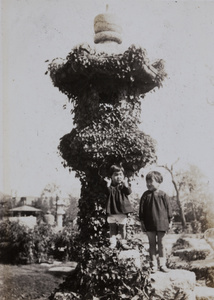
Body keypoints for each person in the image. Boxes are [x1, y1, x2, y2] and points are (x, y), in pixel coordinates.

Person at [139, 171, 173, 273]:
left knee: (162, 244)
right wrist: (142, 222)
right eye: (147, 181)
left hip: (162, 223)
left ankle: (162, 265)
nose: (148, 184)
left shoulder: (163, 195)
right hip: (149, 223)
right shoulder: (145, 195)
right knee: (152, 244)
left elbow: (168, 209)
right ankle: (153, 265)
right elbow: (141, 210)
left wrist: (170, 221)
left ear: (159, 182)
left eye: (151, 181)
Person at [104, 164, 133, 249]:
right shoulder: (110, 186)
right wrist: (108, 185)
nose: (119, 177)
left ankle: (123, 242)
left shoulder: (123, 186)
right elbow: (107, 193)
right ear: (111, 176)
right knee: (112, 227)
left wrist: (126, 184)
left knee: (122, 227)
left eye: (120, 174)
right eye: (116, 175)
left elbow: (128, 192)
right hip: (112, 211)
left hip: (122, 211)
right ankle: (113, 242)